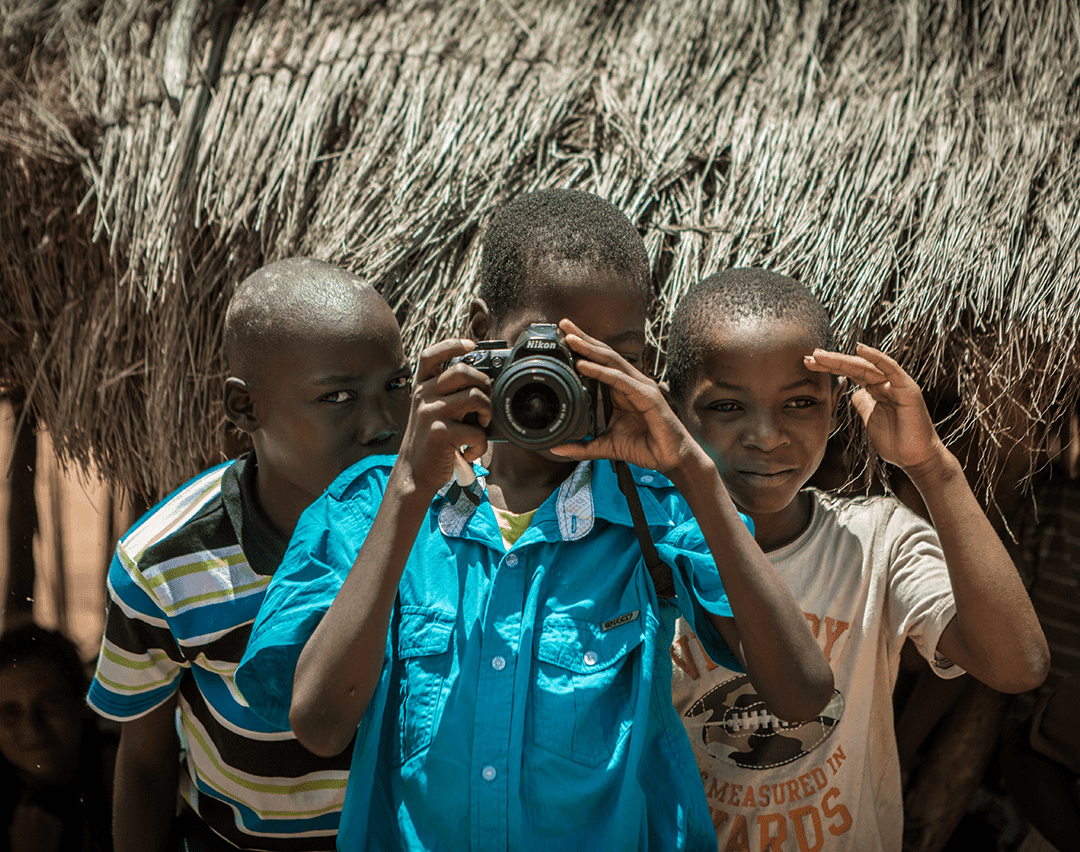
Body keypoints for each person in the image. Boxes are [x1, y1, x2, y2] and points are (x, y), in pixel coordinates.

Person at [235, 190, 833, 851]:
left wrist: (691, 470)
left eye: (614, 357)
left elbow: (801, 695)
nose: (579, 384)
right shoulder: (372, 507)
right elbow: (320, 725)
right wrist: (409, 490)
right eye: (553, 352)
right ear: (484, 329)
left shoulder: (658, 510)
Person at [664, 268, 1050, 852]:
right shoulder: (642, 551)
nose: (766, 436)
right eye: (726, 406)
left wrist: (931, 467)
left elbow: (1018, 664)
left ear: (835, 405)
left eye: (799, 403)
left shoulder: (876, 540)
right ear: (674, 408)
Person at [87, 258, 413, 851]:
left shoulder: (445, 529)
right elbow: (145, 766)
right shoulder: (166, 564)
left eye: (396, 384)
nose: (382, 423)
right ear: (245, 409)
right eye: (337, 396)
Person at [0, 624, 115, 852]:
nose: (32, 729)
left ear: (81, 701)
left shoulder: (128, 776)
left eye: (50, 704)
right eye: (11, 712)